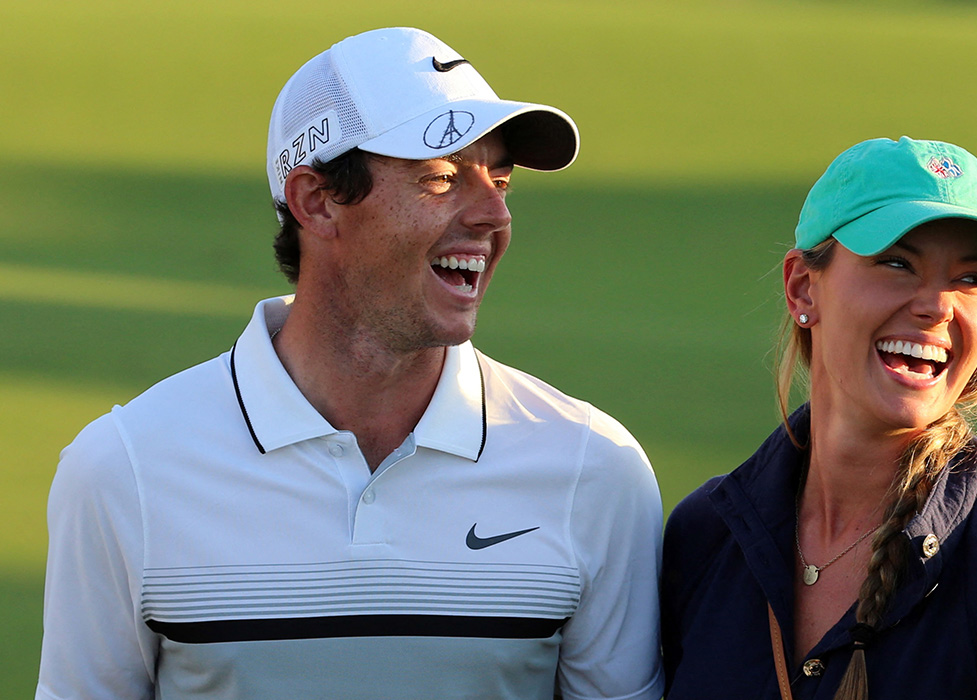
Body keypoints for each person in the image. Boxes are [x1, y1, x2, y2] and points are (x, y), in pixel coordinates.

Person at [37, 28, 663, 700]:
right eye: (442, 177)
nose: (494, 215)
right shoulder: (124, 471)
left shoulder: (595, 470)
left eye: (501, 180)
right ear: (316, 201)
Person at [660, 137, 977, 699]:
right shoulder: (705, 535)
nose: (938, 306)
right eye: (898, 264)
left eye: (971, 278)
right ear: (802, 288)